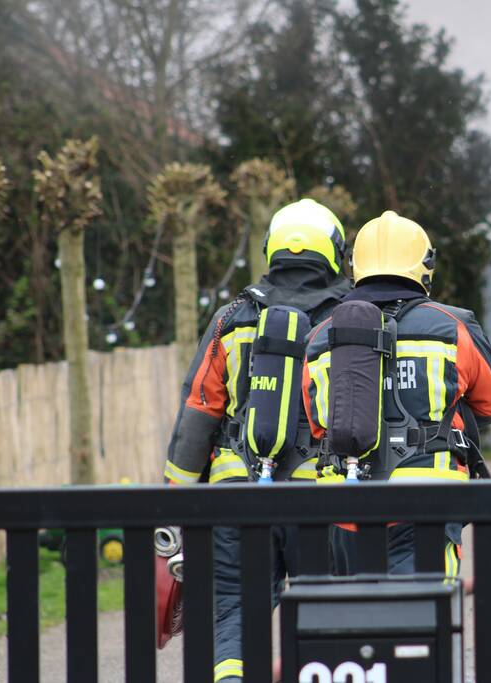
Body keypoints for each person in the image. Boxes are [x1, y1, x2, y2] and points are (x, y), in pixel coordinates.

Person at [162, 198, 349, 683]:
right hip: (321, 501)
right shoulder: (350, 320)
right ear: (333, 251)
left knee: (234, 613)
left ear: (271, 250)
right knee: (325, 616)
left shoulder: (233, 318)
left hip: (236, 499)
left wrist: (174, 505)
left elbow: (199, 409)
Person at [302, 210, 491, 575]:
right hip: (427, 504)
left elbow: (319, 426)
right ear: (424, 266)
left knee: (347, 621)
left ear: (355, 266)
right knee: (422, 619)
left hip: (343, 509)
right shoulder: (452, 325)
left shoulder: (320, 337)